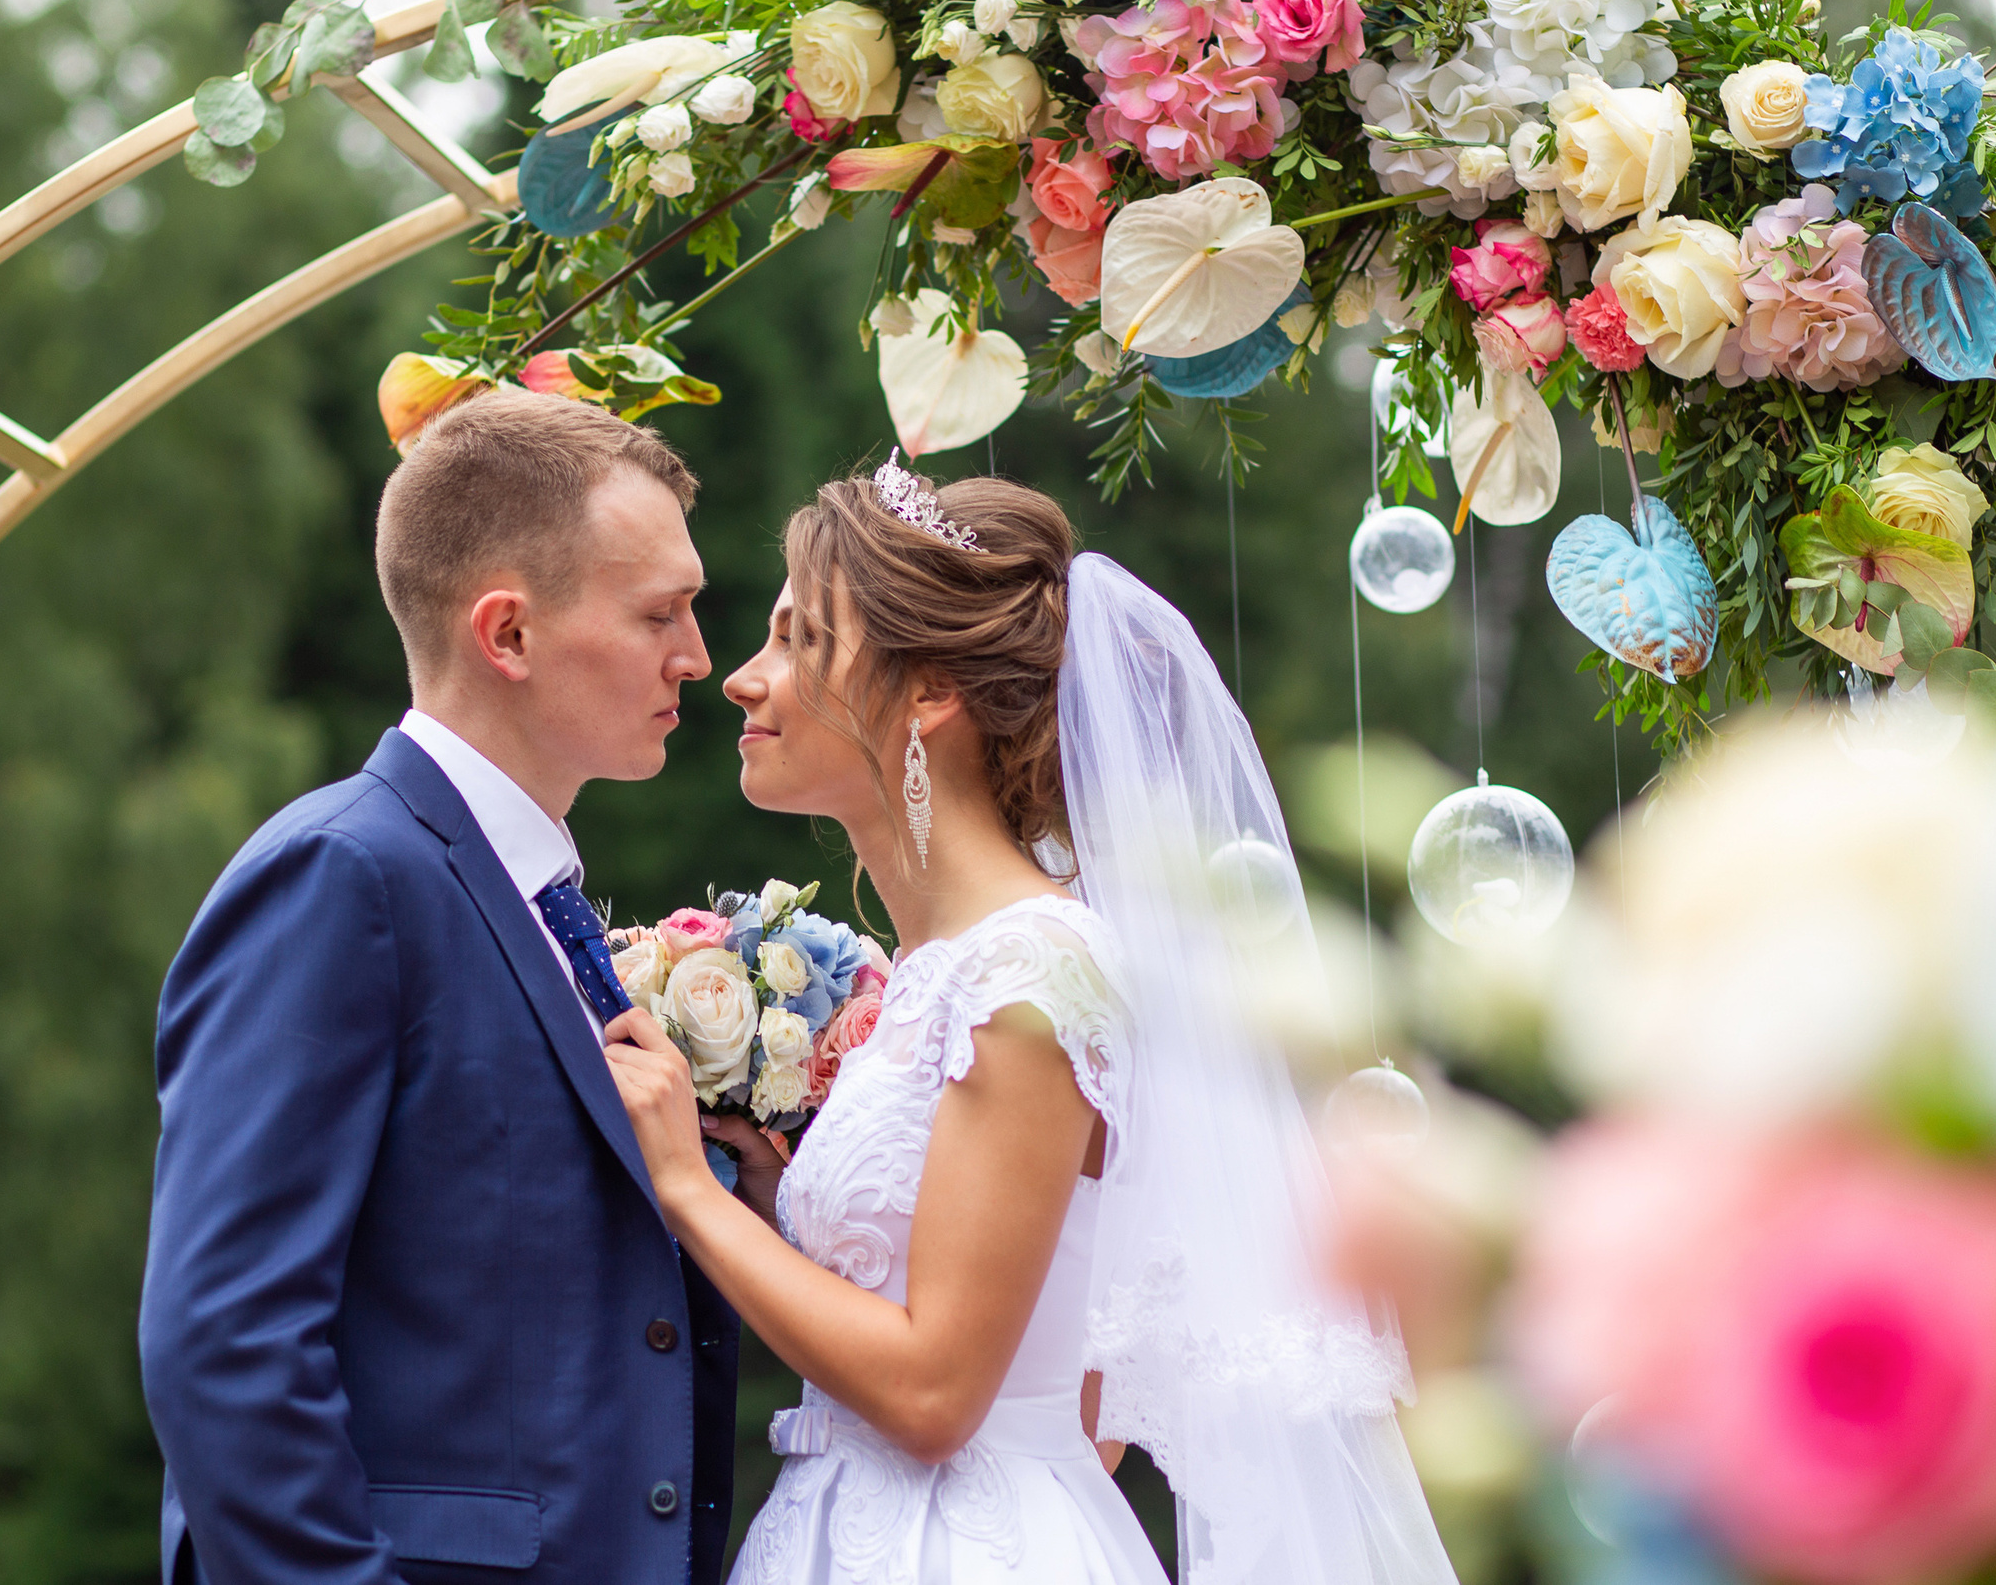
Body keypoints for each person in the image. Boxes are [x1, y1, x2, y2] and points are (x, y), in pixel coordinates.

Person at [604, 462, 1458, 1584]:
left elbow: (931, 1392)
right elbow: (1073, 1362)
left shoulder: (1033, 973)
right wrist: (774, 1195)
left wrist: (683, 1191)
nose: (744, 680)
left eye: (799, 641)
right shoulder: (942, 970)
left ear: (928, 693)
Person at [138, 391, 744, 1585]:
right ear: (506, 635)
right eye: (660, 613)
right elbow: (223, 1341)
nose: (699, 656)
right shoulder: (341, 876)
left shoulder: (538, 893)